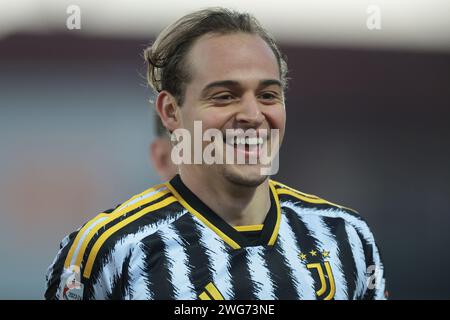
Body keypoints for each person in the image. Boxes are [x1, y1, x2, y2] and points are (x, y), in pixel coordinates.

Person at [45, 7, 386, 300]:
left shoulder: (347, 236)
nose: (253, 115)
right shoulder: (108, 251)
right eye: (224, 96)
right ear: (171, 112)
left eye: (268, 95)